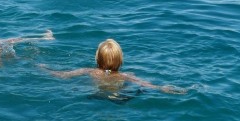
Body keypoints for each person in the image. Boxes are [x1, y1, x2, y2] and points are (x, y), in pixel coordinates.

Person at [40, 38, 186, 95]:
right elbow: (148, 85)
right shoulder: (126, 75)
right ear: (120, 61)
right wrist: (163, 88)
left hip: (95, 97)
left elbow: (62, 75)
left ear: (97, 59)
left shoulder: (89, 71)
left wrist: (42, 67)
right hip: (121, 96)